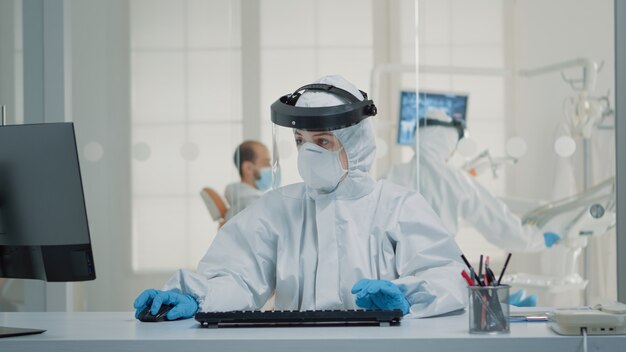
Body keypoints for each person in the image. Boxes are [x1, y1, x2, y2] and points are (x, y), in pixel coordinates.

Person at [133, 75, 467, 321]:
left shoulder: (398, 206)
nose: (307, 153)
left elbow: (446, 275)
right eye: (299, 141)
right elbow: (237, 274)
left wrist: (406, 296)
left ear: (357, 144)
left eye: (322, 142)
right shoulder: (279, 207)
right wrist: (196, 295)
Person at [385, 109, 561, 307]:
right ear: (446, 141)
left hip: (396, 275)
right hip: (440, 274)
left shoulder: (391, 174)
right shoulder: (455, 180)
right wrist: (536, 239)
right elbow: (497, 222)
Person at [224, 141, 273, 221]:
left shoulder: (240, 201)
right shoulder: (253, 203)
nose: (271, 167)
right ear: (248, 168)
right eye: (266, 163)